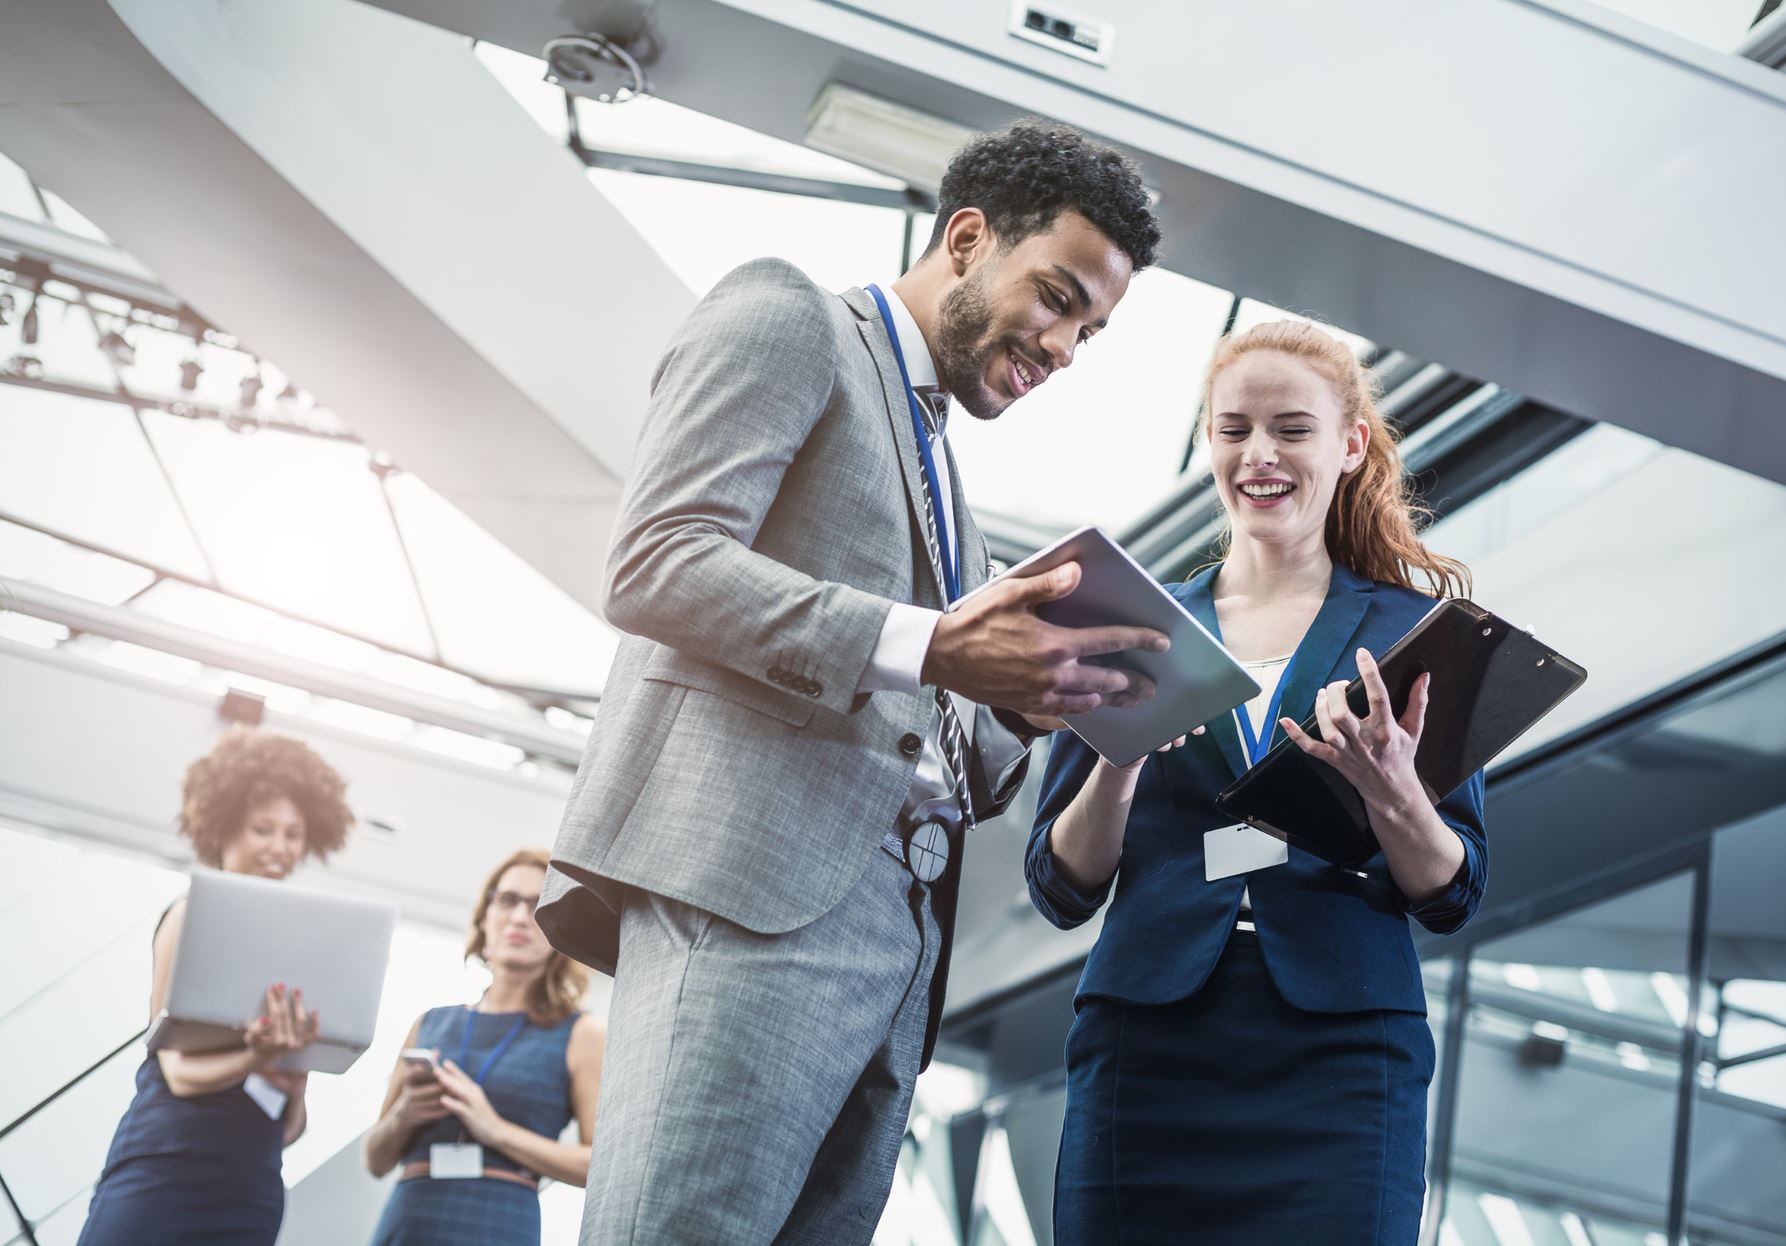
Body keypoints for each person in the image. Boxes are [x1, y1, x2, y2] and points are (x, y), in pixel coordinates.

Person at [537, 119, 1164, 1243]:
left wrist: (1032, 697)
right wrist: (927, 643)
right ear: (967, 238)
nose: (1066, 348)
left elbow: (952, 749)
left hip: (898, 950)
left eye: (1092, 332)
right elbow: (656, 560)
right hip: (750, 892)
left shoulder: (953, 490)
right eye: (1058, 298)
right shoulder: (791, 319)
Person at [1028, 319, 1488, 1245]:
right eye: (1234, 429)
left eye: (1291, 428)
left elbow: (1454, 890)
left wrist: (1394, 791)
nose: (1259, 454)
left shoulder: (1416, 633)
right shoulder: (1135, 626)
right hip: (1148, 1049)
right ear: (1208, 443)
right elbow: (1060, 886)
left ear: (1350, 445)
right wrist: (1120, 759)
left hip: (1344, 1057)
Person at [78, 728, 354, 1246]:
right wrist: (254, 1057)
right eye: (263, 829)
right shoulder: (188, 917)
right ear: (223, 827)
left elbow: (289, 1129)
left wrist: (294, 1085)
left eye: (294, 834)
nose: (280, 848)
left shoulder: (298, 951)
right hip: (164, 1171)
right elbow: (178, 1075)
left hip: (249, 1187)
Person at [363, 847, 602, 1246]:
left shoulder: (582, 1033)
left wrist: (495, 1130)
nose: (520, 917)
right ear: (484, 914)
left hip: (499, 1224)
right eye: (507, 900)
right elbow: (375, 1160)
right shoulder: (430, 1022)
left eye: (538, 905)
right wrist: (406, 1114)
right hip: (409, 1218)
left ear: (559, 927)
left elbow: (598, 1166)